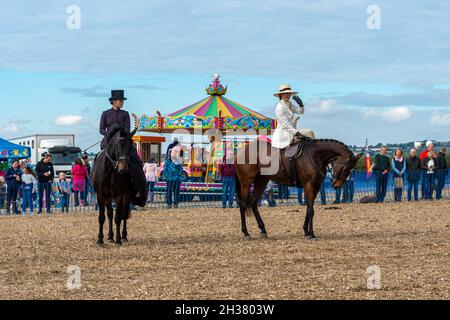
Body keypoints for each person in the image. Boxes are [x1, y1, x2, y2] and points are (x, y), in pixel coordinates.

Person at [99, 89, 147, 207]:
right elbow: (101, 129)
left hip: (123, 142)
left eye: (122, 100)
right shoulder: (105, 113)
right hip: (109, 142)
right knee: (98, 159)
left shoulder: (125, 114)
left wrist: (121, 133)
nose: (122, 102)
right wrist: (109, 133)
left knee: (136, 161)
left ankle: (137, 189)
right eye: (120, 100)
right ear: (114, 101)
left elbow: (127, 129)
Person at [271, 84, 305, 149]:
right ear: (281, 95)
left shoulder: (290, 104)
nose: (287, 95)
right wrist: (297, 133)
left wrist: (301, 104)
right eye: (285, 93)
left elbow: (301, 111)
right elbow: (285, 124)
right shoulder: (279, 107)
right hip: (282, 136)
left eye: (289, 93)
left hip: (291, 132)